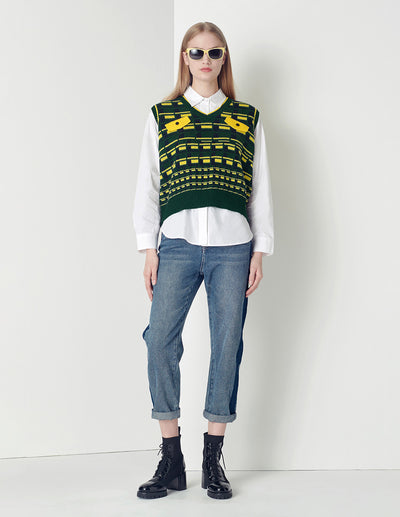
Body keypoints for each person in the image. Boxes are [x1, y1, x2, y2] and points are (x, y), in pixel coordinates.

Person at [133, 21, 274, 500]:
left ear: (224, 58)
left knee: (226, 345)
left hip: (234, 248)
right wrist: (148, 248)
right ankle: (171, 457)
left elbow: (260, 188)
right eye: (196, 53)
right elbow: (148, 185)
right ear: (185, 59)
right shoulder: (163, 115)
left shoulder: (247, 117)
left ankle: (213, 458)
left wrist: (260, 249)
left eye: (214, 52)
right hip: (176, 243)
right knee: (159, 340)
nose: (206, 61)